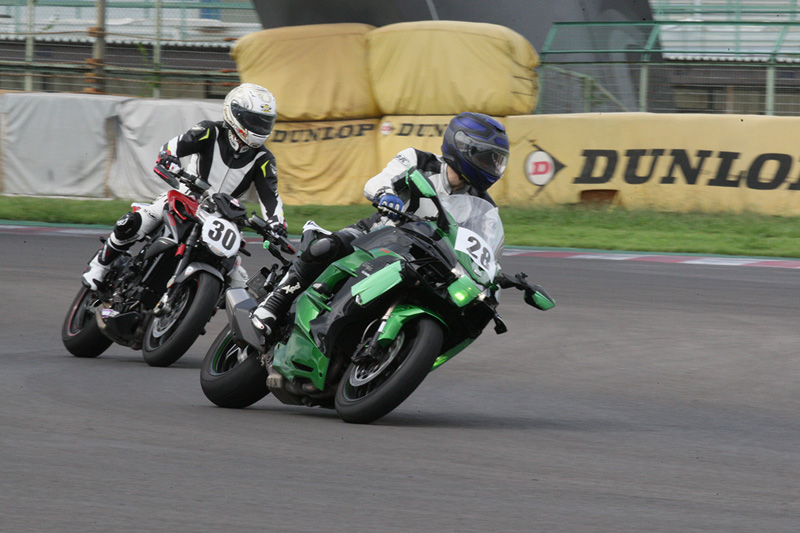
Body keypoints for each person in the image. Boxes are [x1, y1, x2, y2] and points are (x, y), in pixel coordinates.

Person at [250, 111, 510, 335]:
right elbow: (377, 181)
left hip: (426, 261)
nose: (492, 167)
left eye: (496, 161)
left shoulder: (484, 206)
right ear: (463, 147)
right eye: (487, 159)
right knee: (325, 247)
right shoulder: (418, 160)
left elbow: (485, 246)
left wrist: (495, 275)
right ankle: (275, 303)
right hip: (376, 235)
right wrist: (385, 194)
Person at [82, 83, 286, 291]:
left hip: (224, 220)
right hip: (186, 197)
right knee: (135, 222)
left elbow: (270, 196)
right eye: (254, 120)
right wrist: (169, 157)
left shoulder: (264, 159)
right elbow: (175, 145)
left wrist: (276, 224)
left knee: (238, 283)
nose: (259, 127)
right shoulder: (210, 130)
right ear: (235, 114)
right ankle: (99, 265)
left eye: (264, 122)